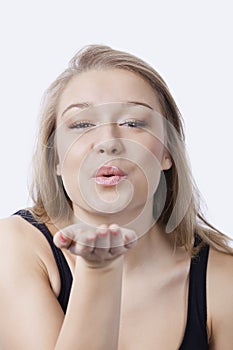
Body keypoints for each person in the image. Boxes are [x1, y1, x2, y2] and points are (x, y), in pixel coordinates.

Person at [0, 45, 232, 350]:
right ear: (56, 158)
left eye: (133, 123)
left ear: (167, 151)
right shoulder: (13, 246)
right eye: (82, 124)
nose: (108, 142)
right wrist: (99, 272)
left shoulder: (222, 279)